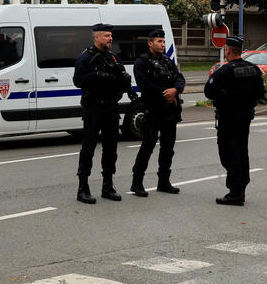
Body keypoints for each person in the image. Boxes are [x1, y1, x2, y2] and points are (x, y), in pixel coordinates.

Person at [72, 23, 132, 204]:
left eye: (111, 36)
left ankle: (108, 186)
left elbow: (122, 78)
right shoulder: (87, 58)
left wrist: (122, 80)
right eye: (106, 36)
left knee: (111, 149)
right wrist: (98, 76)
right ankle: (83, 188)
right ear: (96, 37)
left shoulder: (113, 58)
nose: (110, 39)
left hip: (111, 108)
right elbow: (78, 81)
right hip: (94, 108)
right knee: (88, 149)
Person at [203, 36, 266, 206]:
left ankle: (235, 192)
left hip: (228, 118)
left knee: (228, 154)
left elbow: (208, 91)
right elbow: (261, 93)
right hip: (245, 118)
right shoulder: (253, 69)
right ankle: (241, 189)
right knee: (242, 152)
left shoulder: (224, 71)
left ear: (228, 51)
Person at [131, 29, 185, 196]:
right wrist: (167, 94)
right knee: (147, 147)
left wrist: (175, 90)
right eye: (159, 41)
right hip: (153, 110)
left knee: (168, 148)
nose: (162, 44)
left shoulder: (168, 61)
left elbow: (180, 78)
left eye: (163, 41)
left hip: (170, 112)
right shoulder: (142, 62)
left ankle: (164, 181)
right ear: (150, 43)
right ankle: (137, 182)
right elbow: (145, 86)